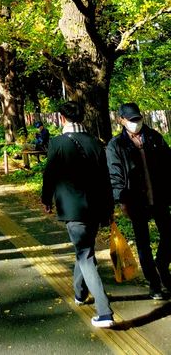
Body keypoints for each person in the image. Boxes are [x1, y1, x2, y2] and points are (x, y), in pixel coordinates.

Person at [41, 101, 114, 329]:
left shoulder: (58, 143)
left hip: (73, 210)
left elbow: (49, 175)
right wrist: (109, 209)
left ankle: (104, 312)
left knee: (85, 256)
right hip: (96, 208)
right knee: (84, 250)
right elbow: (105, 178)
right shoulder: (95, 143)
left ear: (62, 118)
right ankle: (80, 294)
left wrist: (46, 200)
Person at [106, 102, 171, 300]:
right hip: (135, 200)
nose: (136, 123)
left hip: (159, 197)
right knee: (143, 243)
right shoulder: (115, 145)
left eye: (138, 119)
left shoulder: (154, 138)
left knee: (169, 234)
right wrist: (122, 200)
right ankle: (154, 284)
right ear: (121, 120)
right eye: (132, 120)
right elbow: (115, 176)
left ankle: (162, 264)